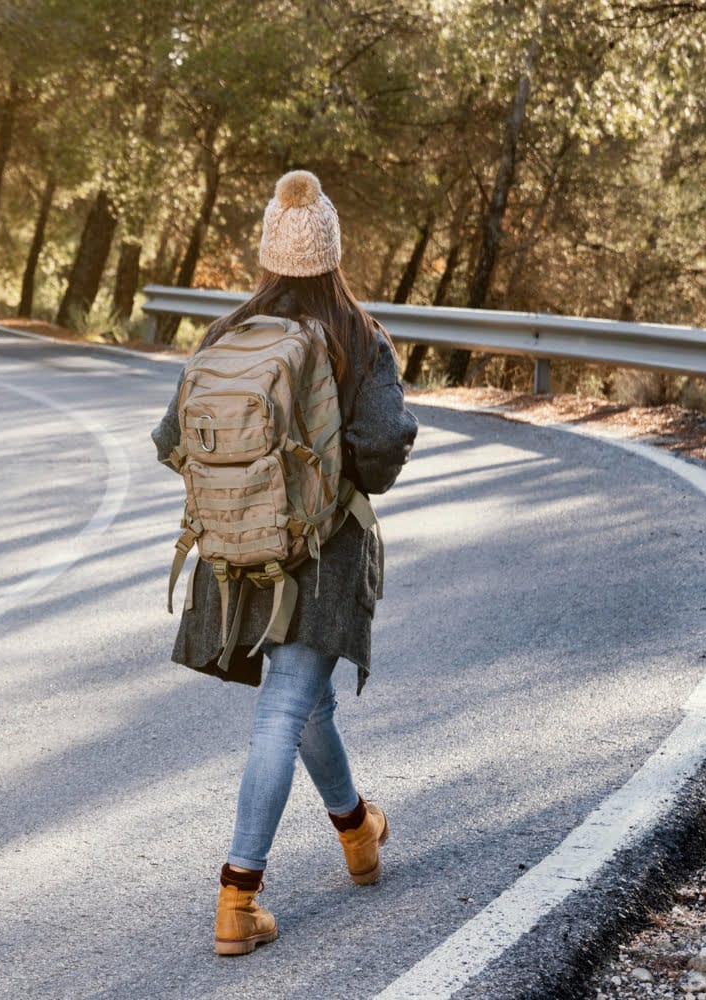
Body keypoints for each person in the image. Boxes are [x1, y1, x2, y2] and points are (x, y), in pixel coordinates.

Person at [150, 170, 418, 956]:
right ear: (333, 254)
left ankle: (357, 831)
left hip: (233, 557)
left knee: (306, 703)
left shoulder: (226, 333)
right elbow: (377, 451)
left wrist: (242, 489)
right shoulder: (360, 336)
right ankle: (238, 896)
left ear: (267, 255)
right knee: (285, 707)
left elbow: (170, 443)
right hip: (320, 553)